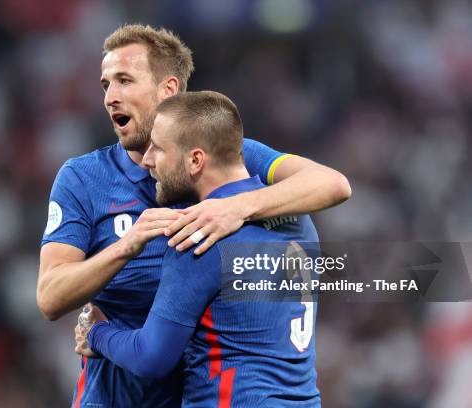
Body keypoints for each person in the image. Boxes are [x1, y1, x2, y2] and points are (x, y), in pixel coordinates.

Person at [38, 24, 348, 407]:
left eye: (124, 81)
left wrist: (235, 207)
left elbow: (332, 184)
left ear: (168, 90)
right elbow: (50, 297)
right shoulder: (83, 178)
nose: (110, 98)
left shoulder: (228, 154)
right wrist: (124, 248)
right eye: (105, 85)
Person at [75, 91, 321, 407]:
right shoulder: (299, 218)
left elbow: (151, 358)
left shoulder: (200, 238)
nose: (147, 159)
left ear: (195, 160)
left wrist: (97, 333)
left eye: (159, 149)